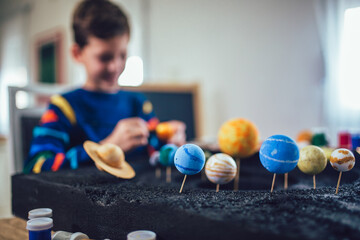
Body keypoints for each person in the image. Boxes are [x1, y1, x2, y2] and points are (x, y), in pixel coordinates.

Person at [24, 0, 186, 174]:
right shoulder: (63, 107)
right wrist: (105, 149)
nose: (115, 66)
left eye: (122, 55)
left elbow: (154, 150)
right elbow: (36, 166)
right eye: (104, 57)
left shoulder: (138, 103)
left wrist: (170, 143)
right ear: (77, 53)